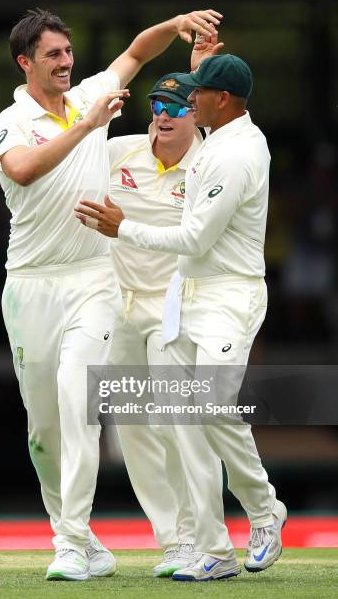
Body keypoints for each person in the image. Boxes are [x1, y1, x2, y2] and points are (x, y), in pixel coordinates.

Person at [0, 7, 223, 582]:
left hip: (94, 280)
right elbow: (22, 171)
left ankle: (70, 544)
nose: (67, 63)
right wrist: (89, 126)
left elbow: (138, 52)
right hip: (30, 285)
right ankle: (80, 538)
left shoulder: (89, 92)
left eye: (69, 53)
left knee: (78, 400)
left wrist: (175, 25)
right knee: (45, 432)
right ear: (26, 63)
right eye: (53, 56)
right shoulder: (8, 122)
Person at [75, 53, 287, 582]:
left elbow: (194, 238)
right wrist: (204, 62)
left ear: (220, 102)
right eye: (166, 102)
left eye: (193, 96)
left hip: (227, 297)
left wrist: (123, 229)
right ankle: (210, 549)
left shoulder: (235, 154)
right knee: (179, 426)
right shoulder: (216, 137)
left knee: (211, 408)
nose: (181, 105)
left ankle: (264, 510)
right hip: (183, 298)